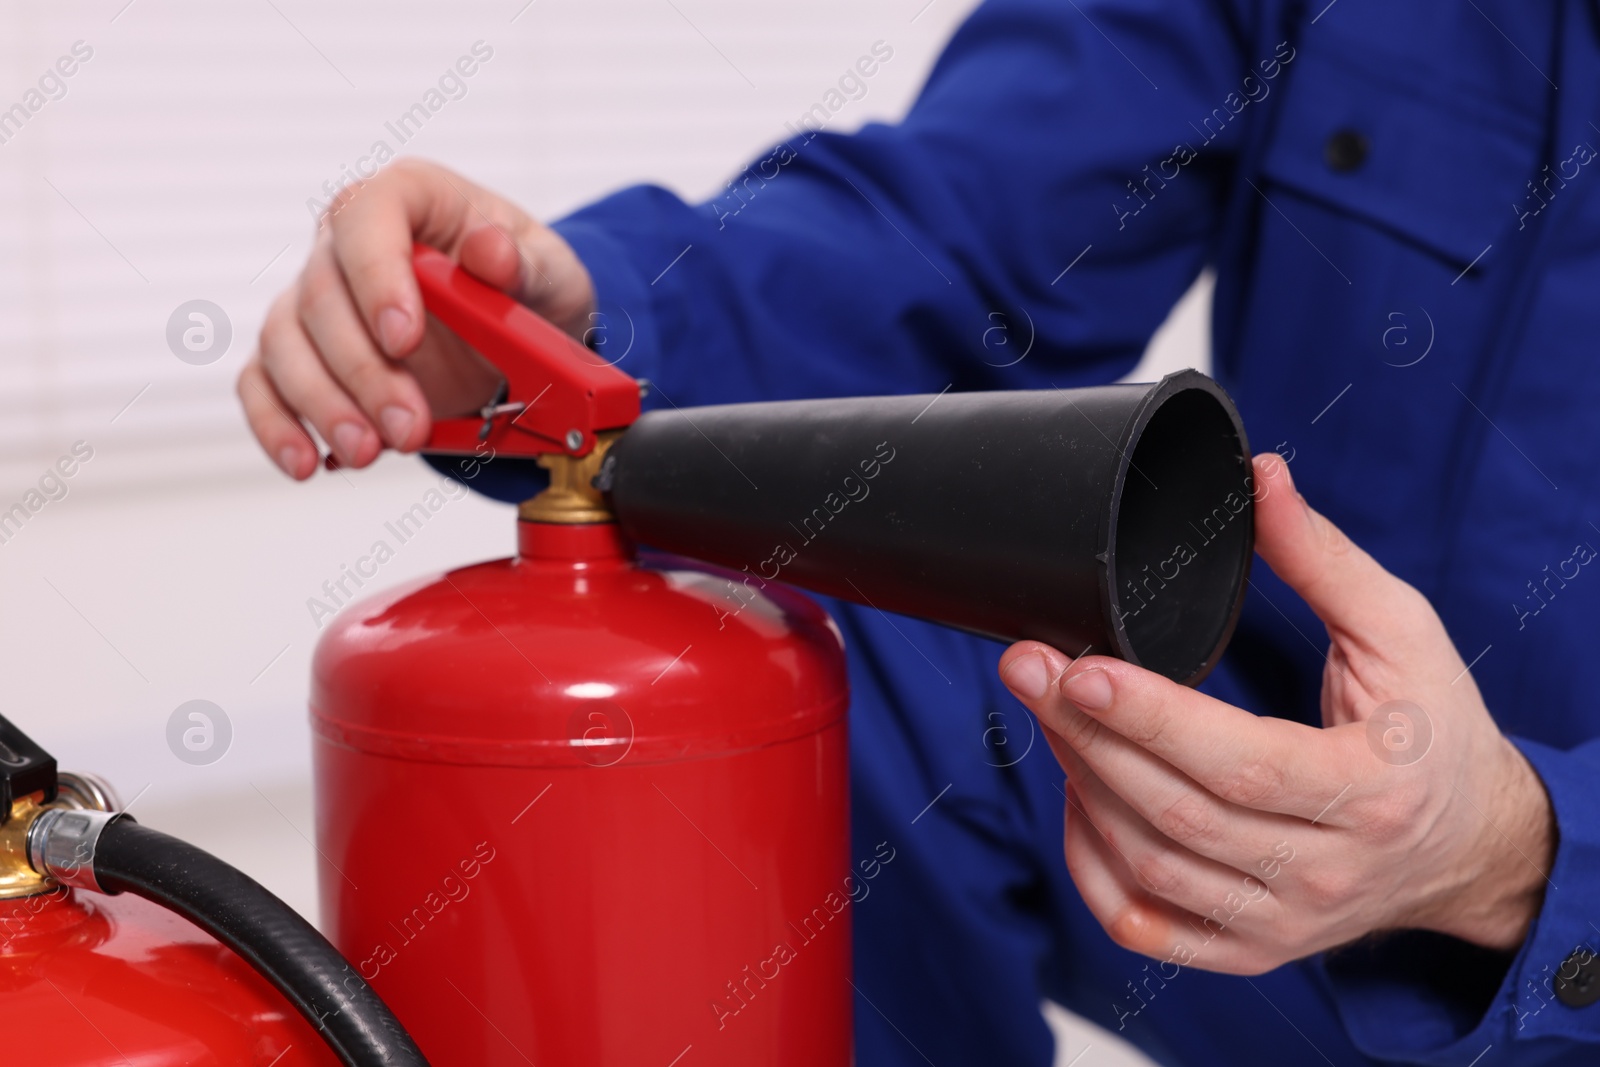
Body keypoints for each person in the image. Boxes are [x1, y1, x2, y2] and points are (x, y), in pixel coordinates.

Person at [238, 1, 1600, 1063]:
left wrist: (1517, 854)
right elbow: (964, 228)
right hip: (1273, 842)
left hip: (1548, 934)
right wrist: (580, 322)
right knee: (844, 614)